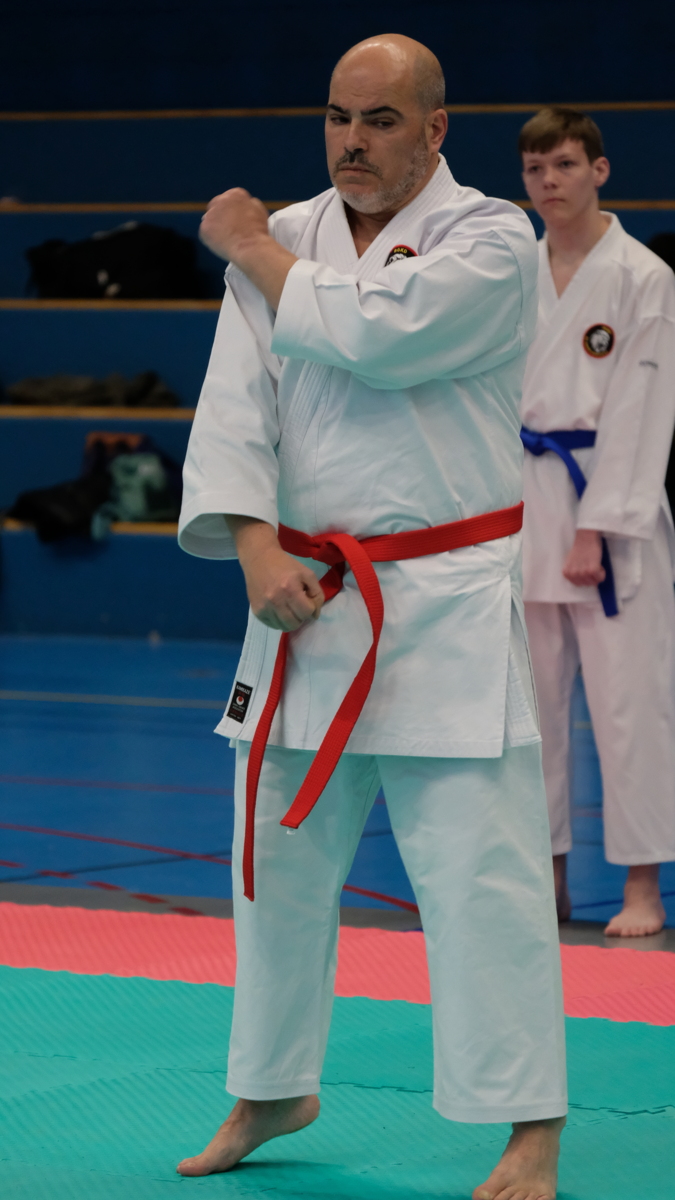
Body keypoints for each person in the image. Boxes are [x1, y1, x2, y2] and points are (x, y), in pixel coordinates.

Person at [177, 34, 567, 1200]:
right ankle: (270, 1086)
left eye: (381, 121)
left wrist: (249, 247)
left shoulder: (492, 237)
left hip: (443, 605)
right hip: (301, 601)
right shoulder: (289, 232)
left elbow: (383, 335)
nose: (352, 141)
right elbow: (236, 407)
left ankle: (530, 1126)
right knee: (272, 863)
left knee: (481, 878)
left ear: (435, 130)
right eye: (338, 117)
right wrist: (254, 550)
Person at [519, 107, 675, 937]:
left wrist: (596, 528)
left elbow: (642, 410)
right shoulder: (512, 269)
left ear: (599, 170)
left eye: (565, 165)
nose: (549, 182)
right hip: (524, 504)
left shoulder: (642, 275)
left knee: (629, 707)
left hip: (610, 512)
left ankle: (642, 888)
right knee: (530, 710)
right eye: (535, 169)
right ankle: (544, 882)